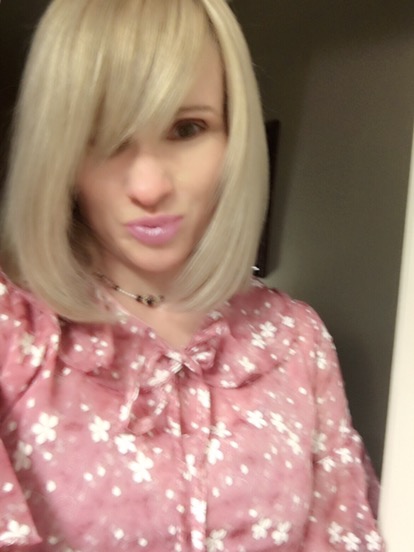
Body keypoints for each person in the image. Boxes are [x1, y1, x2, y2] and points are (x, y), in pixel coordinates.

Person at [0, 0, 385, 550]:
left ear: (233, 136)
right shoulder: (14, 336)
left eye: (187, 128)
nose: (150, 186)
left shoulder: (297, 342)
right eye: (102, 137)